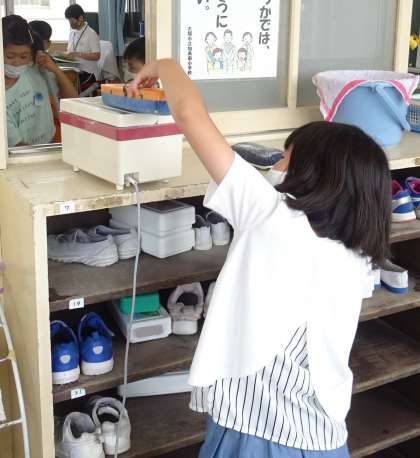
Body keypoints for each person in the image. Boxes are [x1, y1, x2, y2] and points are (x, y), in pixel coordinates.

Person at [129, 59, 391, 457]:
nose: (275, 165)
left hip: (256, 436)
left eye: (284, 157)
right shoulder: (358, 256)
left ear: (310, 173)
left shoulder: (269, 213)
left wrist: (163, 63)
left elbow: (188, 113)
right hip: (323, 438)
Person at [3, 15, 77, 147]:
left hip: (48, 142)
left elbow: (73, 99)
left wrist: (55, 69)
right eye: (10, 56)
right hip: (22, 152)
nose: (17, 62)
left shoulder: (34, 72)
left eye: (23, 56)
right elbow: (18, 145)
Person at [64, 3, 100, 90]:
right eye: (69, 20)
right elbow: (70, 51)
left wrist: (78, 54)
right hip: (74, 70)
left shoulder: (91, 34)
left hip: (87, 73)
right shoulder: (72, 33)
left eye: (72, 20)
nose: (70, 23)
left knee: (65, 83)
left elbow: (97, 56)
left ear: (80, 18)